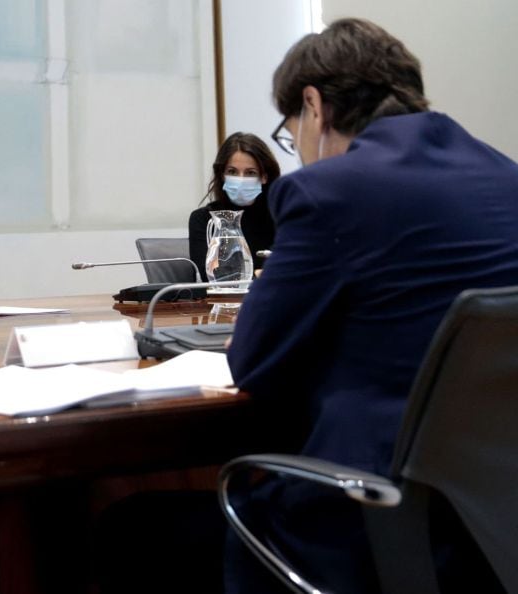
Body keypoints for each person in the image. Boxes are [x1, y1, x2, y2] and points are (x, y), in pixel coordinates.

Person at [224, 18, 518, 593]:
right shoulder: (506, 176)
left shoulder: (327, 191)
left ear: (314, 106)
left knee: (136, 531)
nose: (300, 152)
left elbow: (253, 361)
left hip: (366, 522)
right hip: (491, 530)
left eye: (291, 134)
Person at [188, 133, 279, 278]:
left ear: (264, 177)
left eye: (250, 173)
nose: (240, 179)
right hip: (224, 300)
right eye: (232, 172)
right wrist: (260, 275)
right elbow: (208, 277)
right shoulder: (205, 219)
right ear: (222, 175)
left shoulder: (281, 216)